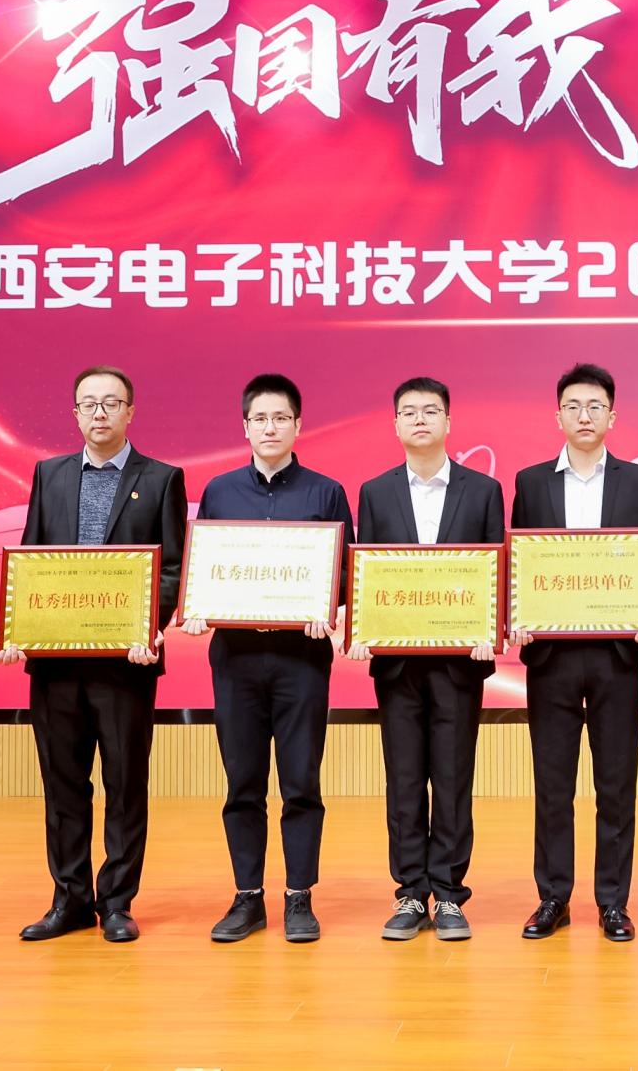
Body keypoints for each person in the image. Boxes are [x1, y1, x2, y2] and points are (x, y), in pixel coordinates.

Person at [0, 365, 186, 944]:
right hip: (56, 664)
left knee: (125, 784)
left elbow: (172, 569)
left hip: (126, 665)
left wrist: (149, 626)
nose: (99, 413)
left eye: (111, 403)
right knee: (63, 785)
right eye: (89, 403)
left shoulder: (162, 479)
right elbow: (31, 560)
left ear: (131, 412)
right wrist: (13, 626)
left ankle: (118, 902)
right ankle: (70, 899)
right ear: (75, 413)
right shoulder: (49, 474)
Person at [178, 374, 354, 945]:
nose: (270, 428)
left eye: (281, 418)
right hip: (236, 658)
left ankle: (299, 896)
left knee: (301, 781)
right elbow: (205, 566)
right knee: (243, 782)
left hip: (301, 658)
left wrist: (327, 606)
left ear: (298, 425)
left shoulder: (326, 493)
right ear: (245, 426)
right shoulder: (220, 491)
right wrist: (198, 607)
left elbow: (345, 573)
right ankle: (248, 897)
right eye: (260, 419)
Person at [509, 363, 638, 943]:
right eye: (573, 406)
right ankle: (553, 897)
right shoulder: (531, 483)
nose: (584, 415)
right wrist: (518, 614)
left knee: (615, 785)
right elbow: (518, 560)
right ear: (558, 416)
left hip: (615, 657)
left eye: (595, 406)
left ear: (612, 416)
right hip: (551, 658)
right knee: (553, 785)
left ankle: (612, 902)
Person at [350, 377, 505, 941]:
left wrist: (490, 629)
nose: (420, 420)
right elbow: (368, 570)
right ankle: (411, 891)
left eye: (431, 411)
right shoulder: (375, 491)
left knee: (454, 778)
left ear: (448, 423)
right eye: (409, 412)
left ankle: (449, 893)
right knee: (405, 779)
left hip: (459, 662)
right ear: (395, 424)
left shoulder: (483, 490)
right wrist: (364, 627)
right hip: (397, 664)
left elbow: (495, 567)